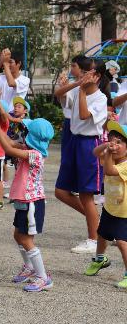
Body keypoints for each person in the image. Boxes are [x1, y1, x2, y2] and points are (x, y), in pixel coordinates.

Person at [0, 114, 55, 292]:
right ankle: (29, 267)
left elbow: (9, 150)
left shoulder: (35, 154)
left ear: (32, 137)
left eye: (25, 132)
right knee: (18, 235)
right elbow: (9, 143)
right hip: (22, 200)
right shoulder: (27, 148)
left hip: (32, 202)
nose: (21, 134)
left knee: (26, 239)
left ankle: (43, 277)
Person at [54, 58, 109, 254]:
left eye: (89, 72)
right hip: (74, 141)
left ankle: (93, 239)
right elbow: (58, 94)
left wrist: (82, 91)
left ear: (98, 76)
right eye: (83, 71)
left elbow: (85, 115)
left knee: (86, 195)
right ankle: (97, 222)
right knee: (61, 191)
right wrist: (76, 84)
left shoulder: (101, 98)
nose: (85, 75)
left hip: (89, 145)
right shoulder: (79, 90)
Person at [86, 121, 127, 289]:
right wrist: (105, 145)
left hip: (124, 212)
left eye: (119, 142)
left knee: (123, 243)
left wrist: (109, 152)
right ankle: (100, 259)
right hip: (110, 208)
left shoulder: (124, 165)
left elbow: (109, 170)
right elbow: (95, 152)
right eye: (112, 140)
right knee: (102, 235)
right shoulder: (109, 157)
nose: (114, 145)